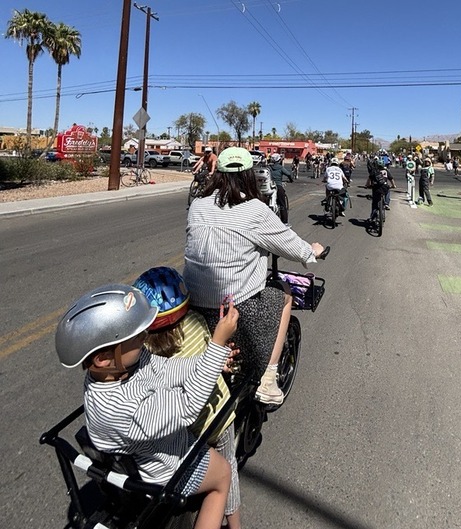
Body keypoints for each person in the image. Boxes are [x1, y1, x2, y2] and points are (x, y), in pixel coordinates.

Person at [55, 284, 239, 529]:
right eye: (136, 334)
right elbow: (189, 405)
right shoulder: (123, 408)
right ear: (102, 359)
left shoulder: (119, 367)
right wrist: (216, 343)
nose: (145, 335)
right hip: (164, 470)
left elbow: (166, 369)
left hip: (152, 447)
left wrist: (211, 361)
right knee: (224, 474)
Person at [184, 147, 324, 406]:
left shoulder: (198, 205)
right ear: (250, 175)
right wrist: (312, 251)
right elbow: (291, 246)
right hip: (234, 310)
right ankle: (268, 379)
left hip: (192, 307)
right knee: (284, 294)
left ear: (218, 173)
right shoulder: (255, 210)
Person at [132, 267, 242, 529]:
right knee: (229, 470)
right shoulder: (197, 323)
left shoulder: (142, 348)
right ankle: (236, 525)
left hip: (179, 428)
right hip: (215, 419)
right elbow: (209, 358)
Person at [268, 152, 292, 225]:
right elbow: (288, 174)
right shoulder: (281, 168)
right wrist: (291, 180)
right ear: (279, 160)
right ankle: (284, 222)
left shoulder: (269, 167)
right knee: (282, 204)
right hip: (278, 186)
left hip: (269, 187)